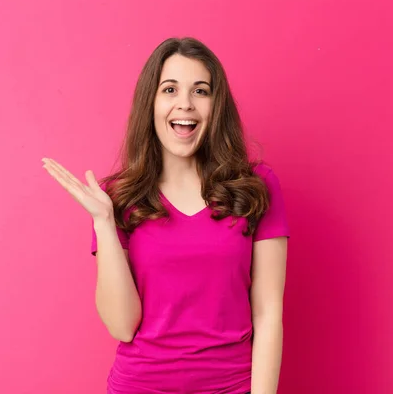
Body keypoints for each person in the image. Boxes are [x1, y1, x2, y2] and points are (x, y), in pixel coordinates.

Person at [42, 37, 290, 394]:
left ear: (216, 105)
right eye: (169, 89)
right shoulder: (118, 197)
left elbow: (268, 313)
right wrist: (103, 222)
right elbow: (123, 326)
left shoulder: (256, 187)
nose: (184, 104)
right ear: (151, 102)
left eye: (200, 91)